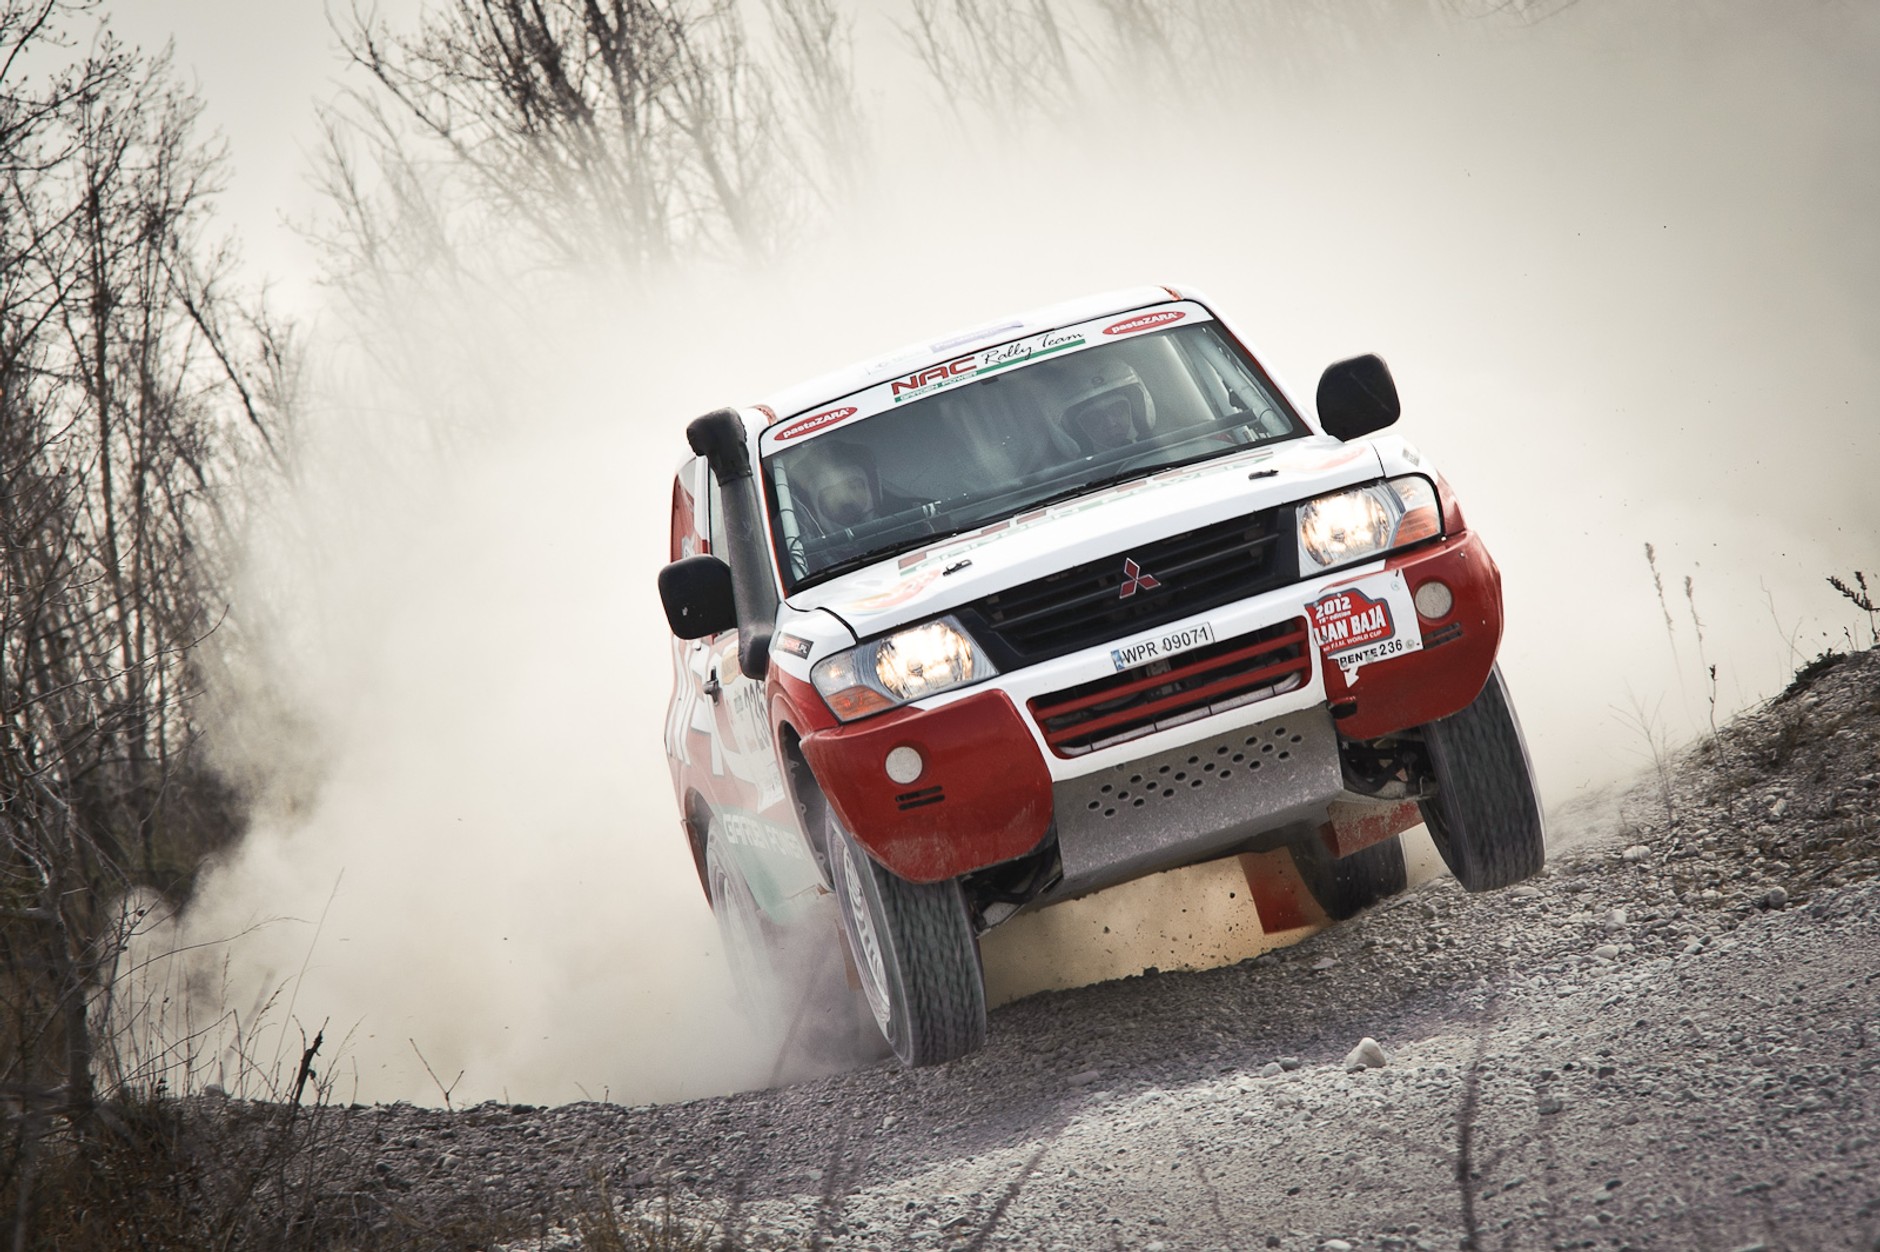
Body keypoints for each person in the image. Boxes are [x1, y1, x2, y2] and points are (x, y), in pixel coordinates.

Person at [1058, 362, 1155, 456]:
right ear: (1077, 428)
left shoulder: (1157, 449)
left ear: (1132, 411)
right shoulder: (1081, 468)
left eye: (1117, 411)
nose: (1111, 424)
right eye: (1094, 419)